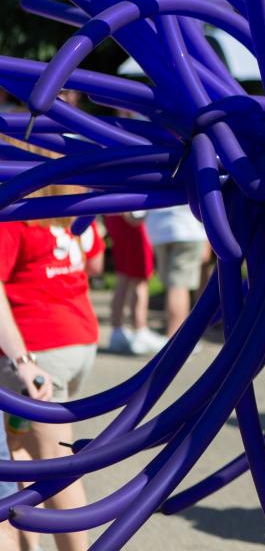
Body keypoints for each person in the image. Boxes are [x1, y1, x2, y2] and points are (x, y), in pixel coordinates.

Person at [0, 139, 103, 551]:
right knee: (22, 456)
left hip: (35, 352)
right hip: (76, 342)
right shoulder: (74, 213)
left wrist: (23, 360)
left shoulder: (14, 216)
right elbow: (95, 263)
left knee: (56, 467)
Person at [104, 212, 167, 354]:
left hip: (115, 216)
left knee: (124, 277)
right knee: (140, 279)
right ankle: (140, 330)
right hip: (131, 217)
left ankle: (117, 330)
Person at [145, 205, 209, 338]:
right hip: (187, 227)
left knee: (172, 286)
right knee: (179, 287)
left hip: (158, 227)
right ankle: (175, 337)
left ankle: (172, 335)